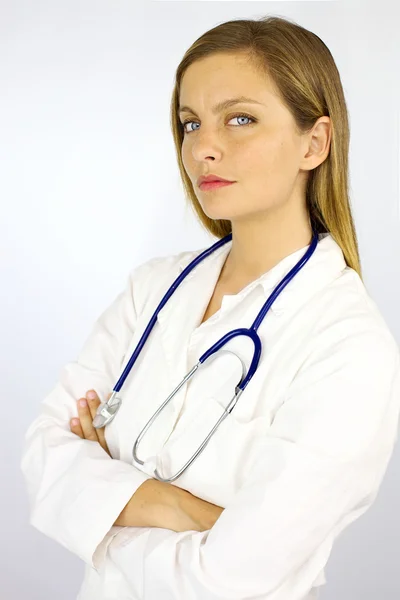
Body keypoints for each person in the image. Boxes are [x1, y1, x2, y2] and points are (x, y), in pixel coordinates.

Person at [21, 15, 400, 600]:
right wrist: (186, 510)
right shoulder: (153, 290)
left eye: (240, 119)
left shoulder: (348, 345)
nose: (203, 147)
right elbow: (43, 452)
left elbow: (233, 579)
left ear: (314, 143)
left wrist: (100, 504)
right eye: (190, 123)